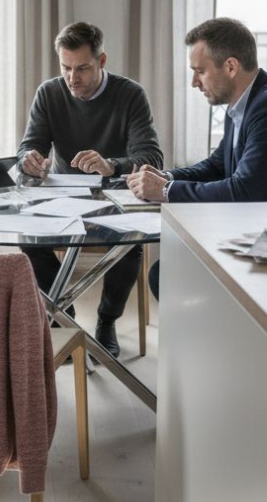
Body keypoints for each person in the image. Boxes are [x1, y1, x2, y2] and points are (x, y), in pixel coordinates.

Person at [126, 17, 267, 299]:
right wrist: (168, 177)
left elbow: (242, 190)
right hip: (265, 233)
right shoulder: (244, 103)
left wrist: (165, 191)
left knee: (167, 275)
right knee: (168, 270)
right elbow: (217, 166)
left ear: (230, 66)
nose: (193, 82)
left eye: (200, 71)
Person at [17, 21, 163, 357]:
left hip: (115, 196)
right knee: (26, 240)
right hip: (61, 198)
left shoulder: (130, 94)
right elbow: (30, 145)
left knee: (131, 245)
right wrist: (31, 160)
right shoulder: (49, 93)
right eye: (66, 68)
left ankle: (106, 321)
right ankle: (62, 316)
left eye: (82, 68)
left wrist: (113, 164)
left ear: (102, 60)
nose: (72, 78)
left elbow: (152, 156)